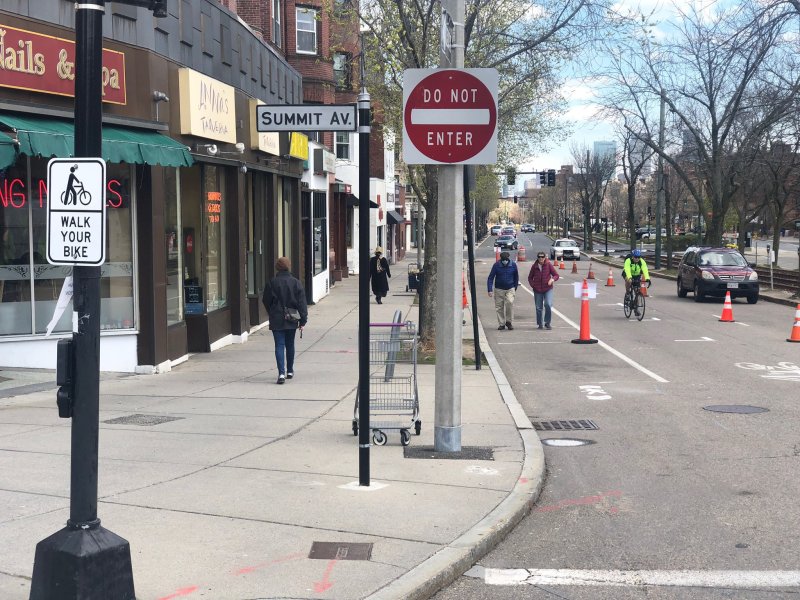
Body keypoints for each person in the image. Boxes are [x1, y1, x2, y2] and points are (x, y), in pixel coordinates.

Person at [262, 257, 308, 384]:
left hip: (276, 317)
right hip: (292, 316)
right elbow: (302, 303)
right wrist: (303, 320)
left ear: (277, 267)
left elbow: (266, 300)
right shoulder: (296, 283)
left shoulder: (272, 282)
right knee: (290, 344)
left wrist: (272, 311)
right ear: (289, 266)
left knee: (279, 345)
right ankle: (290, 370)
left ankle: (281, 373)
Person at [487, 251, 519, 330]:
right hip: (499, 289)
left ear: (508, 258)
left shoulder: (513, 265)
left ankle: (509, 322)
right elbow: (490, 277)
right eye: (503, 259)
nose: (505, 261)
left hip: (510, 288)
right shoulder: (496, 265)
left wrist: (515, 287)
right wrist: (489, 290)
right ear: (501, 259)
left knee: (510, 302)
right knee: (499, 307)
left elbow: (516, 277)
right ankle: (501, 323)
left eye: (506, 259)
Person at [527, 252, 560, 330]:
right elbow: (530, 277)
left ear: (545, 258)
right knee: (538, 307)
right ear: (537, 258)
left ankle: (547, 323)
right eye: (539, 257)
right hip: (537, 289)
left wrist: (552, 279)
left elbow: (556, 275)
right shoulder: (534, 266)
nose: (541, 258)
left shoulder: (548, 265)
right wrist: (533, 285)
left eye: (542, 257)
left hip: (547, 288)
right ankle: (540, 323)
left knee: (548, 304)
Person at [623, 249, 651, 315]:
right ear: (633, 256)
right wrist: (630, 277)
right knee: (628, 281)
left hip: (636, 275)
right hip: (628, 273)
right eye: (636, 257)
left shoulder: (642, 261)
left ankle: (636, 309)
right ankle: (627, 293)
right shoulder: (628, 261)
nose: (637, 259)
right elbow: (627, 269)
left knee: (637, 292)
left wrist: (647, 278)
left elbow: (645, 269)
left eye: (638, 257)